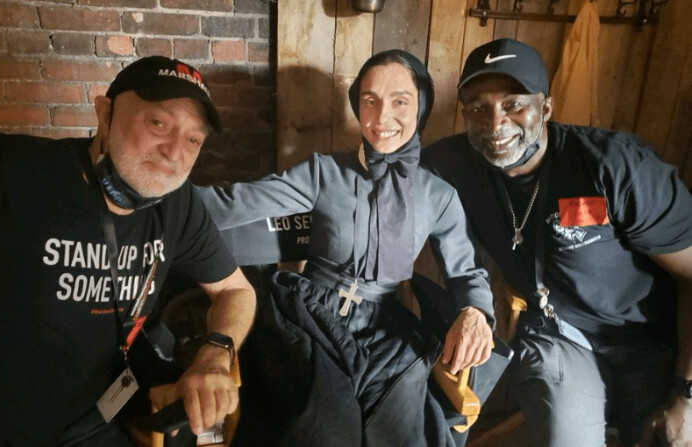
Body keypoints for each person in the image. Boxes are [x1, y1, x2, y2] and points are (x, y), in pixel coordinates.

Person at [196, 49, 495, 446]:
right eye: (370, 101)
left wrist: (475, 310)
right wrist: (156, 199)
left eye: (400, 101)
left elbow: (466, 272)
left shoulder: (438, 196)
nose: (382, 117)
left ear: (421, 107)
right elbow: (237, 203)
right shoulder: (324, 172)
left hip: (386, 328)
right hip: (312, 316)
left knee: (399, 432)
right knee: (326, 428)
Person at [421, 38, 692, 447]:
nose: (495, 124)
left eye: (513, 104)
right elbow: (384, 182)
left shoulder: (616, 168)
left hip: (650, 341)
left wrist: (687, 396)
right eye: (477, 108)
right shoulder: (453, 165)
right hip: (557, 335)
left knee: (668, 437)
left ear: (545, 107)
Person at [0, 56, 256, 447]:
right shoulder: (18, 172)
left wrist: (216, 353)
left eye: (193, 139)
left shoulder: (178, 204)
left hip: (101, 422)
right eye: (158, 123)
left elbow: (236, 291)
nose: (173, 153)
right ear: (105, 114)